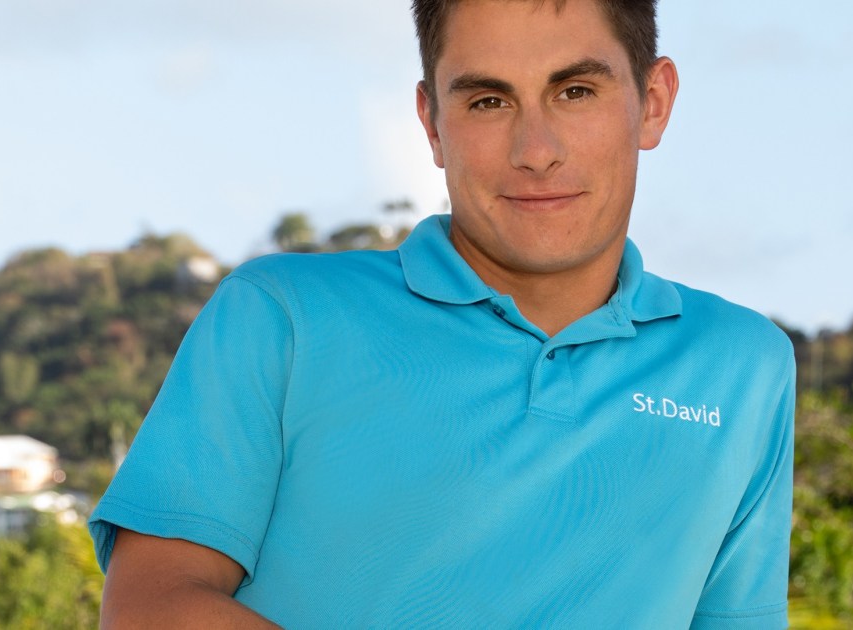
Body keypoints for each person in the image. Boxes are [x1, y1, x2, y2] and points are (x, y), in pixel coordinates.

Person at [89, 0, 795, 627]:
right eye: (489, 101)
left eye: (575, 91)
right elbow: (149, 608)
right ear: (432, 123)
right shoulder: (281, 316)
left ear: (653, 102)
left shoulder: (742, 365)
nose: (536, 151)